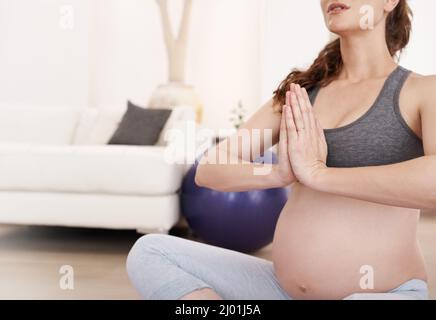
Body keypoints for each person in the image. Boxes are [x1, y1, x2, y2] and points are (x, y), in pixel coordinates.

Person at [126, 0, 436, 300]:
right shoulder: (300, 94)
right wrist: (278, 173)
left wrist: (319, 175)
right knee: (150, 252)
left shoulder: (422, 91)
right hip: (280, 290)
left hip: (381, 293)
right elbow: (211, 168)